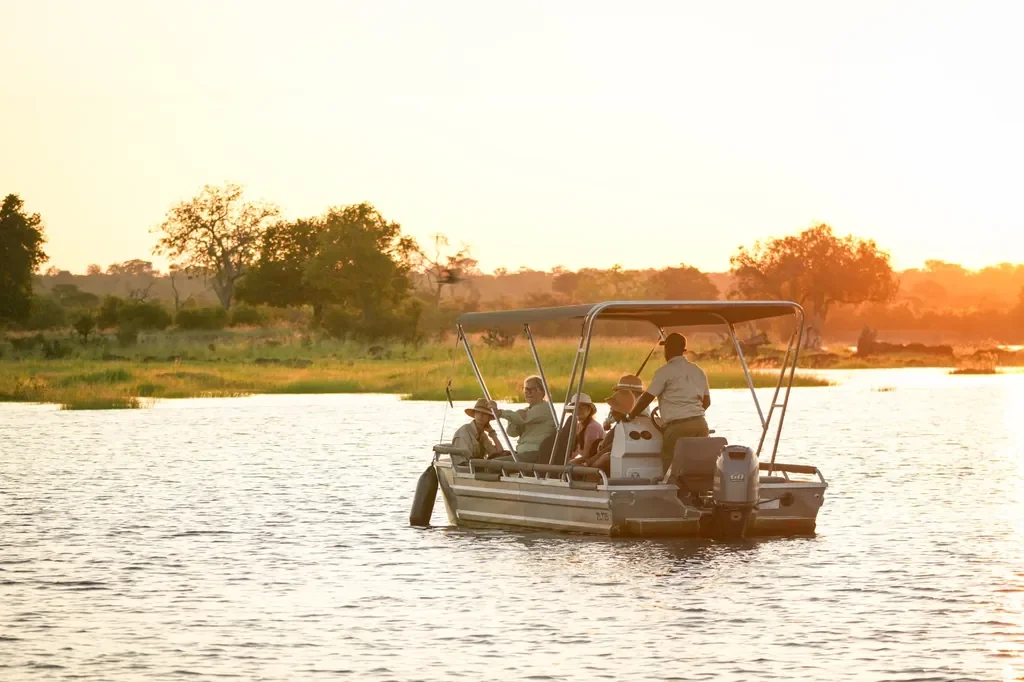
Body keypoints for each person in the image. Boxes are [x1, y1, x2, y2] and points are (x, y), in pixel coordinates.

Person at [623, 333, 710, 475]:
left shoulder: (664, 372)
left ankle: (671, 488)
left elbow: (646, 398)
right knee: (698, 466)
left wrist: (630, 416)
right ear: (683, 350)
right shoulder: (698, 371)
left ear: (667, 349)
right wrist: (692, 415)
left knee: (671, 465)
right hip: (700, 424)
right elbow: (706, 402)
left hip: (677, 428)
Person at [490, 375, 557, 463]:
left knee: (492, 464)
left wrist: (501, 413)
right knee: (492, 459)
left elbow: (522, 419)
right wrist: (516, 416)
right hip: (523, 453)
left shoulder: (545, 408)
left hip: (534, 453)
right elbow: (512, 433)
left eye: (532, 389)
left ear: (542, 391)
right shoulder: (526, 411)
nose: (528, 392)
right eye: (526, 389)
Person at [577, 389, 636, 473]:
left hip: (601, 467)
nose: (610, 409)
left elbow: (608, 450)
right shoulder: (620, 426)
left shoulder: (621, 430)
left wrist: (587, 464)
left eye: (612, 407)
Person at [451, 398, 503, 463]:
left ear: (489, 418)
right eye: (478, 412)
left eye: (484, 413)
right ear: (474, 414)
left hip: (478, 467)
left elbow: (500, 455)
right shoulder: (464, 432)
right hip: (465, 468)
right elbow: (462, 462)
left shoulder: (483, 435)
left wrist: (492, 434)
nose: (481, 416)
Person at [567, 394, 604, 464]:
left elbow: (587, 456)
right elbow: (575, 452)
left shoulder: (592, 427)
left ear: (589, 410)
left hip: (595, 464)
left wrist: (567, 463)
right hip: (587, 463)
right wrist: (562, 460)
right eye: (575, 407)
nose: (578, 410)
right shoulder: (578, 426)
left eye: (582, 407)